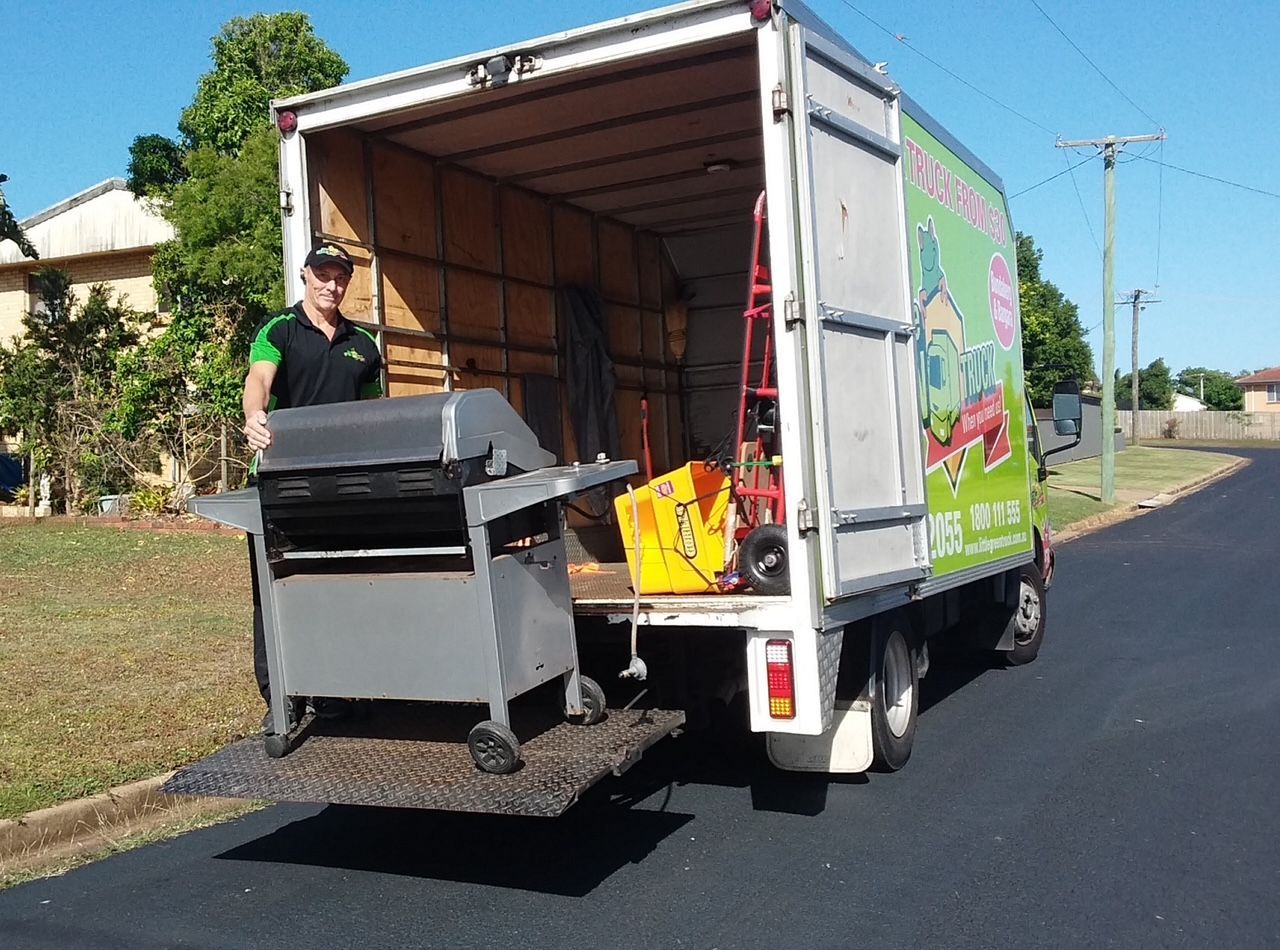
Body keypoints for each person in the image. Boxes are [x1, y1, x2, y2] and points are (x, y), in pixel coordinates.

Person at [242, 242, 383, 732]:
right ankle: (280, 697)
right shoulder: (279, 329)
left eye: (341, 277)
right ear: (305, 276)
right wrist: (254, 414)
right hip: (283, 489)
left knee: (341, 590)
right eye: (323, 274)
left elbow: (375, 416)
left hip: (344, 490)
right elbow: (258, 379)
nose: (332, 284)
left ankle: (338, 692)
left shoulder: (364, 344)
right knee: (275, 591)